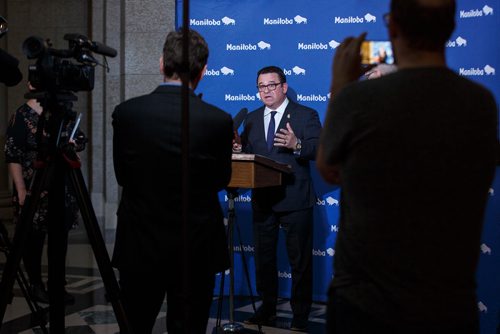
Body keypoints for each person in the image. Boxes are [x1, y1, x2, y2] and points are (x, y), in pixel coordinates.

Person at [316, 0, 498, 333]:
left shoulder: (357, 99)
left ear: (393, 27)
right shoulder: (480, 103)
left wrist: (340, 86)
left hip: (365, 304)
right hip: (448, 303)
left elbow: (327, 167)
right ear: (451, 28)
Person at [111, 29, 233, 334]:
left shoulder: (127, 113)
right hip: (196, 248)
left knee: (134, 325)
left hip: (140, 245)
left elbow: (122, 175)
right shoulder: (217, 120)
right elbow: (222, 179)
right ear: (203, 71)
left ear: (161, 62)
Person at [239, 66, 322, 331]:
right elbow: (250, 155)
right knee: (265, 260)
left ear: (284, 87)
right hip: (263, 201)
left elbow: (319, 148)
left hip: (295, 198)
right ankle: (267, 309)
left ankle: (300, 314)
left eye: (271, 85)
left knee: (300, 262)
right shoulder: (250, 119)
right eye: (261, 86)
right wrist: (239, 150)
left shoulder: (305, 114)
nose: (266, 91)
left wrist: (297, 145)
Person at [4, 85, 84, 304]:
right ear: (31, 85)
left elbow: (79, 139)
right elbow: (13, 156)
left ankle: (57, 285)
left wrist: (73, 144)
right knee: (33, 239)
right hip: (33, 188)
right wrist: (20, 190)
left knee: (60, 239)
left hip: (62, 187)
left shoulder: (61, 112)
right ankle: (35, 284)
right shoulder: (20, 116)